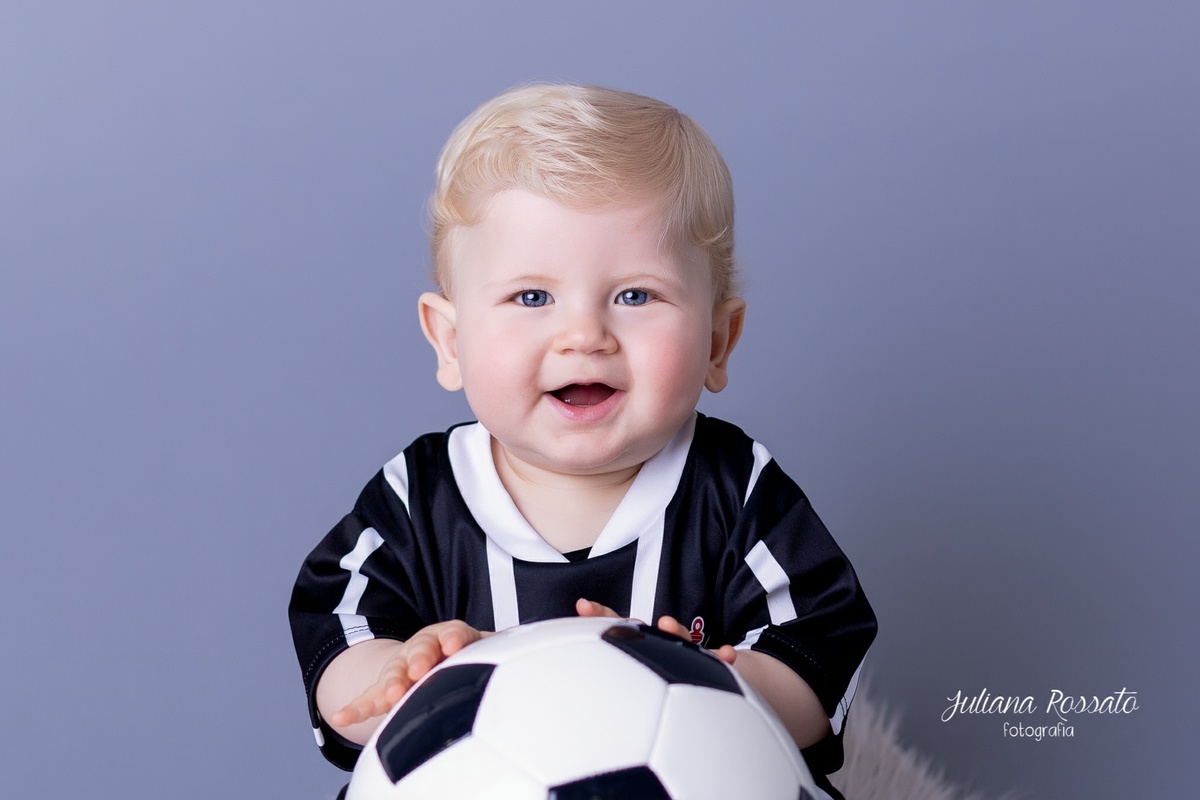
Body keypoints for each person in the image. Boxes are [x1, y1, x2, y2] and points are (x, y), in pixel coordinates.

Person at [289, 83, 876, 796]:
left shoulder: (735, 489)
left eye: (636, 295)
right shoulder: (420, 497)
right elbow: (334, 632)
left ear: (718, 341)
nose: (584, 336)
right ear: (450, 341)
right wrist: (394, 672)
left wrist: (714, 682)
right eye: (532, 297)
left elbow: (818, 652)